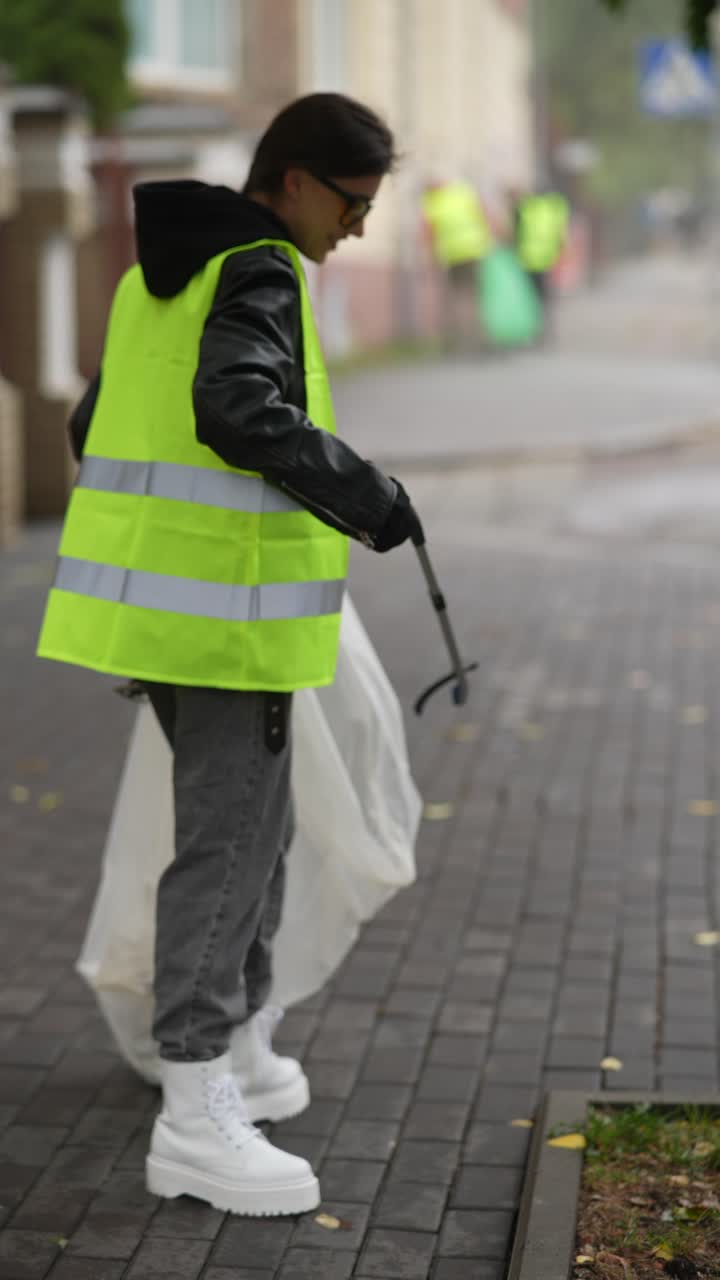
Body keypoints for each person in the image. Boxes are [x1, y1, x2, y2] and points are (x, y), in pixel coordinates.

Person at [36, 92, 421, 1217]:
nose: (357, 226)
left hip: (169, 614)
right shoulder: (259, 267)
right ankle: (195, 1111)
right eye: (351, 203)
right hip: (228, 621)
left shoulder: (156, 272)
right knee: (230, 846)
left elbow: (96, 422)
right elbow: (236, 409)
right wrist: (369, 495)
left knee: (256, 830)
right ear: (294, 180)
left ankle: (237, 1052)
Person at [421, 179, 494, 350]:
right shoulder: (463, 193)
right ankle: (479, 336)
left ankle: (462, 338)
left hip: (453, 255)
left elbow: (428, 233)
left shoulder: (432, 203)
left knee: (458, 296)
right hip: (475, 251)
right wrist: (489, 240)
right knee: (475, 295)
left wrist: (431, 258)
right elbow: (484, 215)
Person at [511, 188, 570, 339]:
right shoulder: (551, 209)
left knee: (532, 296)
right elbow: (559, 234)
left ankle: (535, 327)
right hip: (547, 257)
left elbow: (516, 233)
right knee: (544, 295)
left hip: (528, 258)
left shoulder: (525, 209)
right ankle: (544, 328)